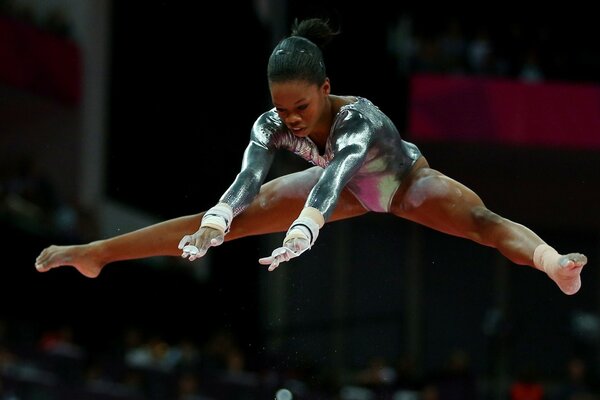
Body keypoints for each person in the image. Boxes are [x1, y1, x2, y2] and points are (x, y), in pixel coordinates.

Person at [35, 18, 587, 295]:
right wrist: (217, 220)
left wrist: (305, 229)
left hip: (400, 183)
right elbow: (246, 179)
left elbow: (339, 173)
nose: (290, 118)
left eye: (300, 105)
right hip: (341, 189)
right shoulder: (271, 123)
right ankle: (97, 252)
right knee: (224, 222)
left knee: (480, 222)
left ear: (326, 88)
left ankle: (552, 263)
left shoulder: (358, 120)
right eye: (281, 106)